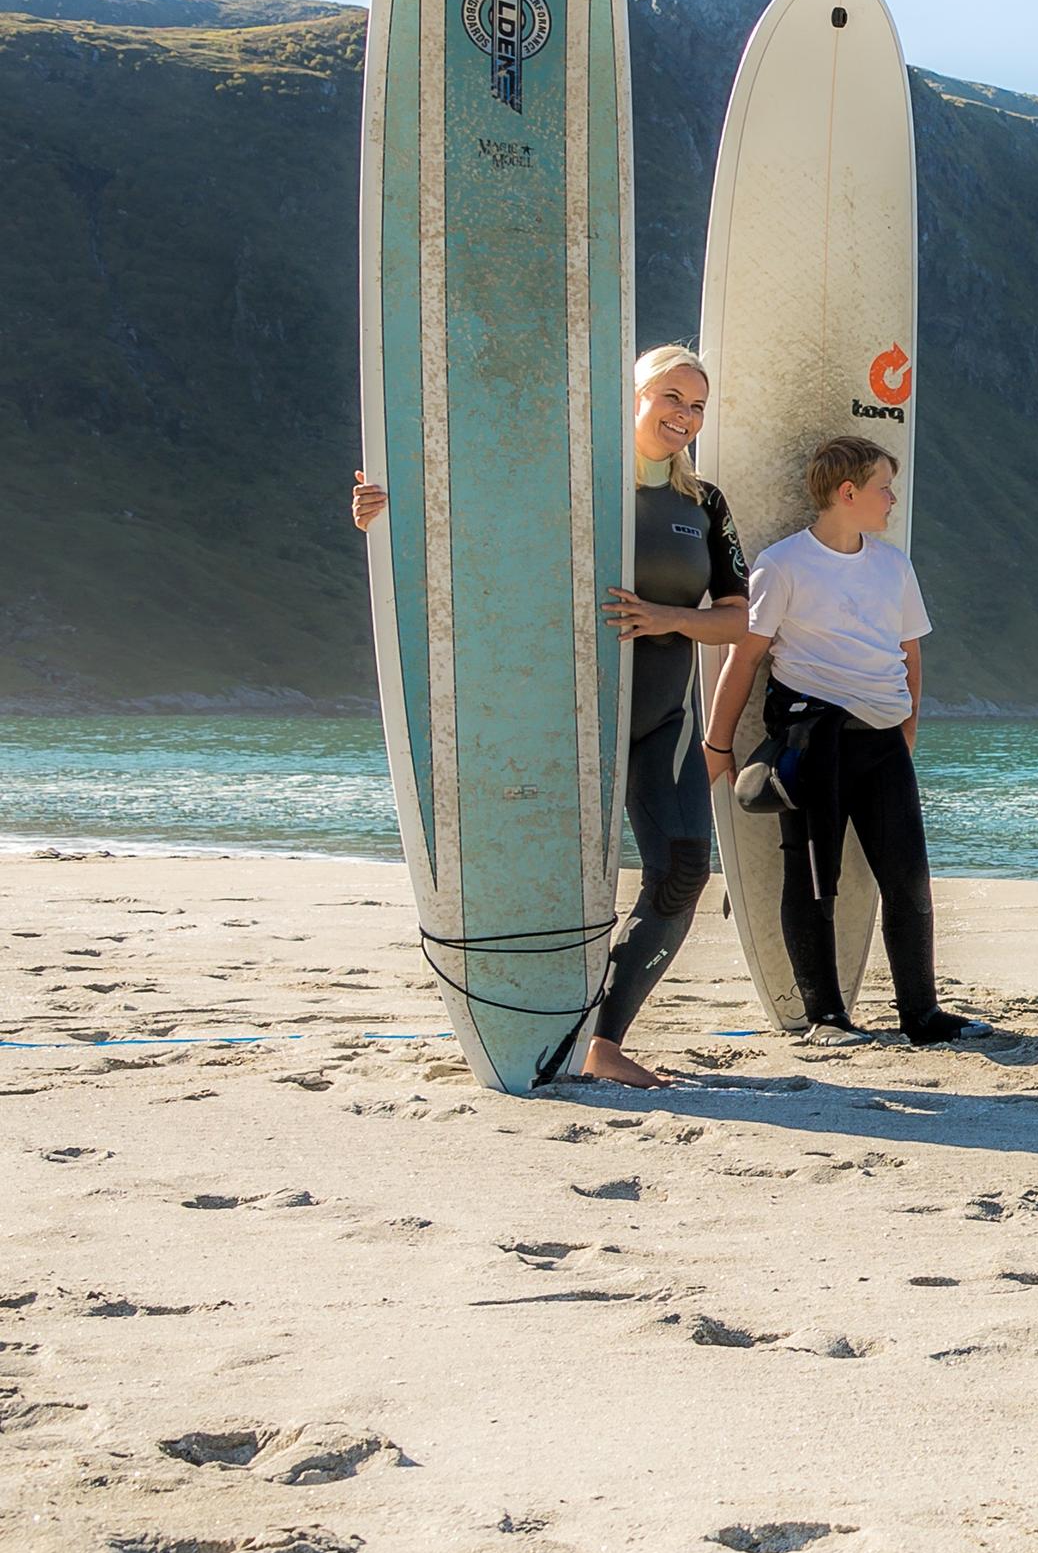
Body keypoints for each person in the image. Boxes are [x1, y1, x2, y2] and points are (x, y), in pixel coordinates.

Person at [351, 343, 747, 1089]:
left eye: (697, 405)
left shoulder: (704, 504)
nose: (685, 417)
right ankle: (529, 1023)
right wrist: (387, 509)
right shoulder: (569, 484)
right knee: (552, 880)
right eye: (671, 397)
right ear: (630, 396)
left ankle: (602, 1039)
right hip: (563, 719)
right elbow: (471, 528)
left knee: (685, 871)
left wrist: (665, 616)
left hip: (660, 720)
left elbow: (738, 619)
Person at [701, 434, 989, 1046]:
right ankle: (826, 1017)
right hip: (813, 743)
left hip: (882, 740)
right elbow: (745, 658)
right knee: (811, 877)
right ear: (848, 492)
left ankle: (922, 1014)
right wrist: (717, 745)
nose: (891, 498)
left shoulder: (893, 565)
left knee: (908, 880)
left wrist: (907, 729)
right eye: (884, 486)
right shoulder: (781, 565)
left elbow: (910, 652)